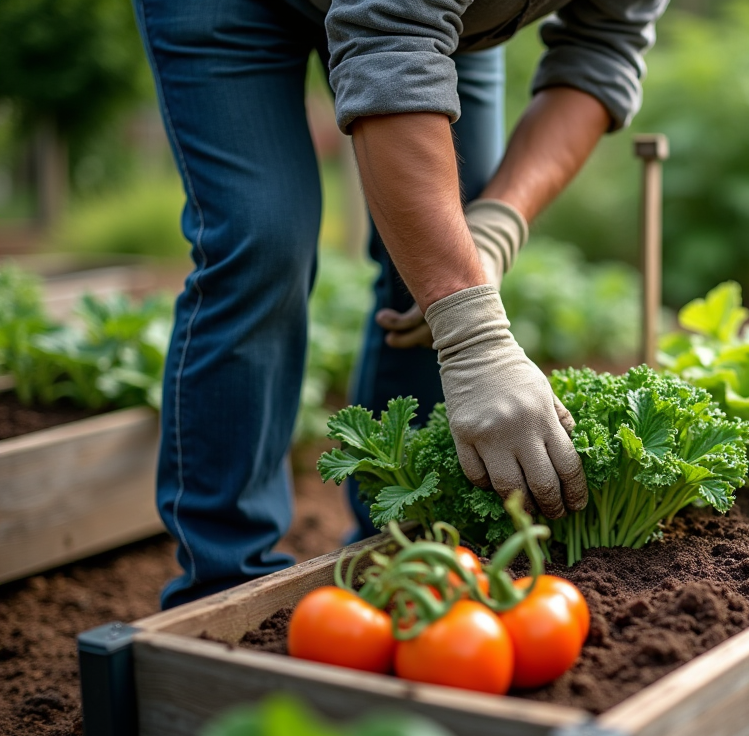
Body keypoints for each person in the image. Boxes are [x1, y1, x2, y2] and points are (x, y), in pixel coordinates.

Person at [133, 0, 668, 609]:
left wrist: (494, 229)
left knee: (451, 245)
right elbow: (388, 43)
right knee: (263, 239)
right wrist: (474, 337)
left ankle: (400, 554)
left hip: (438, 24)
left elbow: (602, 51)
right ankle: (224, 591)